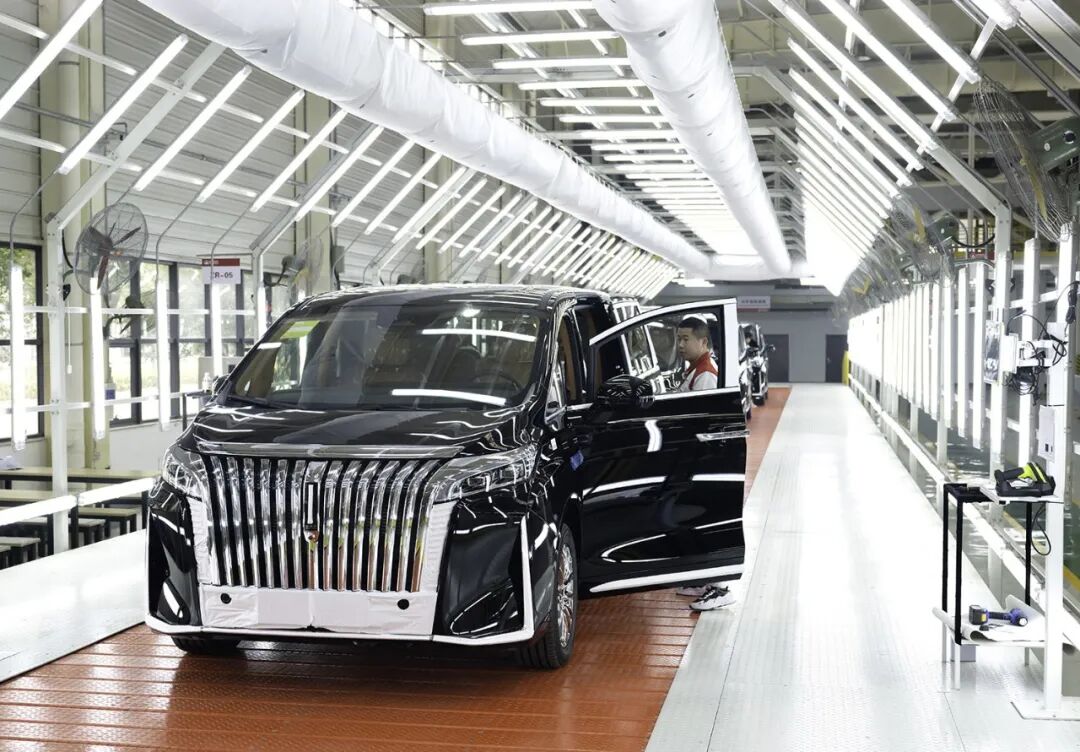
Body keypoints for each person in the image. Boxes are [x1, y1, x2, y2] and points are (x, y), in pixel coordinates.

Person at [673, 316, 737, 611]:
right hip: (695, 458)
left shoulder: (706, 375)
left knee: (707, 522)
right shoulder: (694, 371)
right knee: (694, 522)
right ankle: (702, 580)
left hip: (705, 461)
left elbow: (705, 422)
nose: (681, 344)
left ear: (703, 342)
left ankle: (721, 588)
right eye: (679, 338)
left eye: (686, 339)